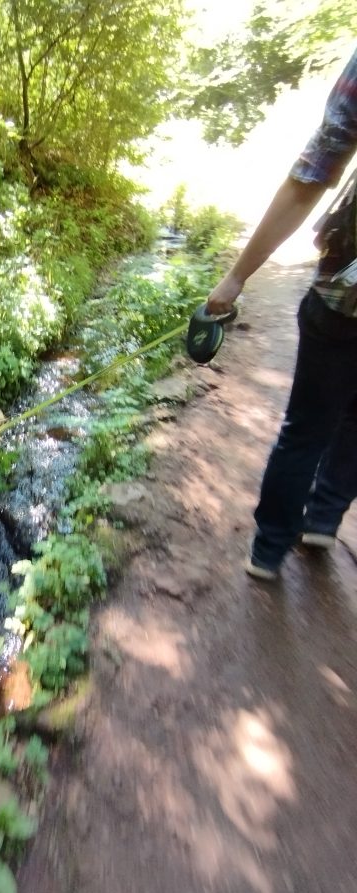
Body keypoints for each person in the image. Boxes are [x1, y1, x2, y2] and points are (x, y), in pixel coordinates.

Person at [207, 45, 357, 580]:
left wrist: (236, 275)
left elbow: (312, 174)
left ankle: (269, 550)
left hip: (345, 302)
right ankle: (322, 519)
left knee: (306, 427)